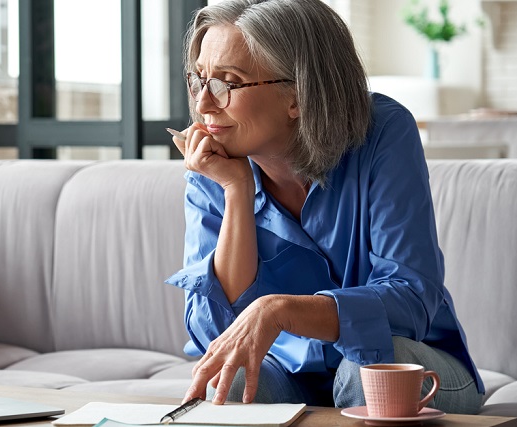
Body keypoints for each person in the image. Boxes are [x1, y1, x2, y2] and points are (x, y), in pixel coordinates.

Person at [164, 0, 483, 414]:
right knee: (234, 379)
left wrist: (281, 310)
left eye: (227, 82)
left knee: (366, 370)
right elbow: (216, 334)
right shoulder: (214, 167)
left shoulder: (383, 132)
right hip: (289, 373)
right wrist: (236, 192)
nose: (204, 104)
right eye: (198, 80)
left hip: (412, 363)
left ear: (297, 96)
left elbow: (412, 300)